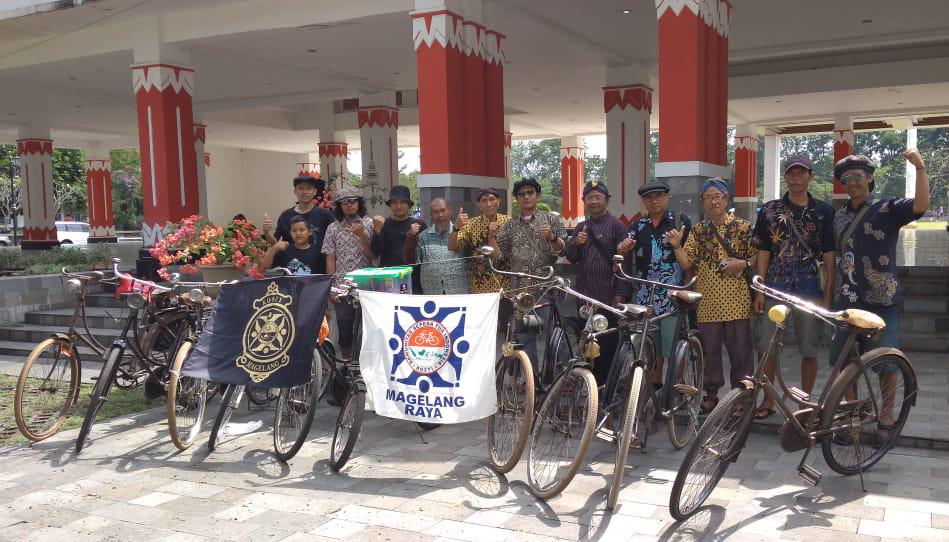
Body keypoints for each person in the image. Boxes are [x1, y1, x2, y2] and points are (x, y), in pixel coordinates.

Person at [830, 150, 929, 443]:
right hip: (849, 301)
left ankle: (886, 416)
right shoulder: (839, 216)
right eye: (846, 179)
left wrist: (921, 168)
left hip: (882, 301)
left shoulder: (887, 208)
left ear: (869, 178)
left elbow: (921, 206)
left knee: (885, 361)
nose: (852, 183)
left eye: (857, 177)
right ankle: (853, 415)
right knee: (844, 361)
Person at [751, 153, 836, 419]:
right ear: (785, 176)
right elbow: (763, 250)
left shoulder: (823, 211)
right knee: (767, 346)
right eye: (791, 173)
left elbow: (829, 255)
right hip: (776, 286)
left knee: (809, 348)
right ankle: (769, 399)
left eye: (801, 173)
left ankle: (805, 401)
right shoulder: (770, 210)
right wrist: (760, 291)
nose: (796, 177)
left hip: (810, 289)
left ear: (810, 176)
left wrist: (828, 297)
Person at [667, 178, 757, 414]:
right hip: (707, 302)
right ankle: (711, 395)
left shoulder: (743, 227)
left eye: (718, 196)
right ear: (702, 202)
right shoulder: (698, 231)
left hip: (737, 301)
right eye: (708, 197)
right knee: (710, 352)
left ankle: (742, 394)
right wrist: (677, 246)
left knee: (741, 352)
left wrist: (743, 262)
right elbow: (687, 262)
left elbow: (758, 258)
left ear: (726, 199)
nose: (713, 201)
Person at [616, 180, 693, 388]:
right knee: (651, 344)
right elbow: (622, 248)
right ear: (643, 201)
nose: (654, 201)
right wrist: (623, 247)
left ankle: (676, 386)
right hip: (645, 296)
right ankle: (655, 383)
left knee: (673, 343)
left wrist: (677, 246)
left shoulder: (679, 221)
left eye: (658, 196)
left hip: (671, 296)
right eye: (649, 198)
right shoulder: (639, 225)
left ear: (667, 197)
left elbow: (690, 262)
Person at [491, 177, 567, 370]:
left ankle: (557, 376)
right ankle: (530, 377)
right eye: (521, 194)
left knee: (552, 329)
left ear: (537, 195)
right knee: (524, 332)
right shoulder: (510, 225)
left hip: (546, 284)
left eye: (530, 193)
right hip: (520, 286)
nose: (526, 197)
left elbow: (564, 250)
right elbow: (499, 256)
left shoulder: (551, 220)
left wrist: (551, 238)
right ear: (517, 198)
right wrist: (491, 237)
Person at [563, 181, 627, 386]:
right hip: (585, 297)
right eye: (589, 198)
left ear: (606, 200)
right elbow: (571, 257)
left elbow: (625, 262)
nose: (593, 201)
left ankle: (606, 387)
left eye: (598, 197)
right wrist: (576, 243)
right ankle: (590, 386)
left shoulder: (617, 226)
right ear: (584, 202)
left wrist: (621, 293)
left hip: (608, 297)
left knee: (607, 344)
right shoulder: (582, 227)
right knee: (587, 343)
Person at [322, 187, 376, 357]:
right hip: (343, 286)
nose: (349, 206)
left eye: (352, 202)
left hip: (367, 285)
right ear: (339, 206)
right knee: (345, 328)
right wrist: (332, 286)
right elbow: (330, 258)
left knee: (369, 328)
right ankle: (346, 367)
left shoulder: (370, 224)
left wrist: (362, 236)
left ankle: (366, 367)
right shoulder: (332, 228)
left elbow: (374, 255)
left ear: (359, 203)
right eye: (344, 203)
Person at [262, 176, 334, 273]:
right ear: (295, 191)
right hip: (291, 269)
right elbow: (277, 244)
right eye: (301, 188)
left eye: (309, 188)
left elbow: (334, 241)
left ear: (315, 191)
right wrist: (267, 233)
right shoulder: (286, 216)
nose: (305, 192)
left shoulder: (325, 215)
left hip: (319, 268)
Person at [448, 188, 511, 294]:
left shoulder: (509, 222)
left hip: (506, 288)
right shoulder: (471, 224)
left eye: (492, 199)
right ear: (479, 205)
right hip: (480, 288)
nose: (489, 204)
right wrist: (456, 227)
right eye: (484, 201)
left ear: (498, 201)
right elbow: (452, 247)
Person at [403, 198, 469, 295]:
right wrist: (410, 238)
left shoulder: (463, 232)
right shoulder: (423, 236)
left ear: (450, 210)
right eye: (435, 212)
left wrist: (457, 228)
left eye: (443, 210)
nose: (440, 215)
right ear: (431, 214)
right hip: (432, 294)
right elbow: (410, 260)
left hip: (458, 293)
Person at [371, 185, 427, 293]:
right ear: (390, 205)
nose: (398, 206)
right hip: (389, 279)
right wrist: (377, 232)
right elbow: (375, 252)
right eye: (395, 202)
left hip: (413, 279)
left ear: (409, 205)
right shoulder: (383, 224)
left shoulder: (419, 225)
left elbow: (425, 255)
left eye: (402, 202)